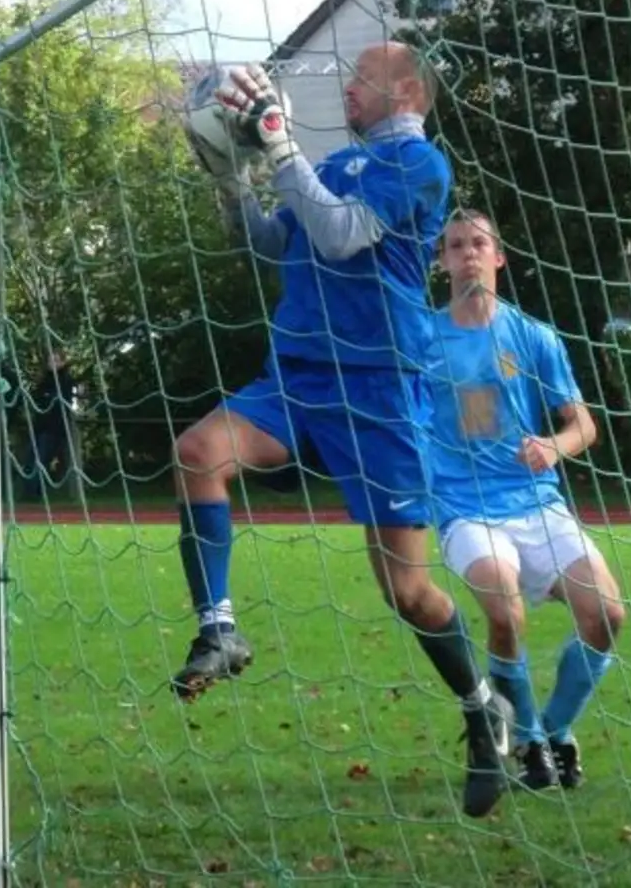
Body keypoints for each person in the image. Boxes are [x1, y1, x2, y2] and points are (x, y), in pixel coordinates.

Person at [174, 43, 512, 817]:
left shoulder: (422, 169)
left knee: (407, 589)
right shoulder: (328, 166)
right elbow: (274, 242)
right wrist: (233, 184)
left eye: (357, 77)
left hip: (381, 390)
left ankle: (480, 702)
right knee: (197, 452)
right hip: (298, 377)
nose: (345, 89)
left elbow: (342, 236)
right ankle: (219, 630)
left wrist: (281, 144)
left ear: (402, 90)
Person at [426, 211, 624, 791]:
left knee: (607, 616)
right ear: (441, 263)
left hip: (536, 502)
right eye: (455, 245)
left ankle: (552, 731)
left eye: (478, 243)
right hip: (465, 507)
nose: (467, 253)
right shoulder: (422, 337)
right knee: (505, 612)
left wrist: (555, 447)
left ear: (498, 257)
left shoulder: (534, 337)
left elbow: (582, 424)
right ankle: (529, 742)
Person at [22, 351, 78, 500]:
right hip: (40, 426)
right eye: (50, 361)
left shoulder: (65, 381)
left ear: (62, 363)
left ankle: (35, 493)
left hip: (54, 428)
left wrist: (48, 399)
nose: (52, 364)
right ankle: (30, 492)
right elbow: (39, 399)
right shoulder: (44, 381)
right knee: (30, 458)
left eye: (56, 360)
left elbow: (61, 403)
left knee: (41, 459)